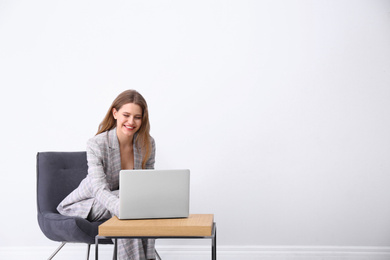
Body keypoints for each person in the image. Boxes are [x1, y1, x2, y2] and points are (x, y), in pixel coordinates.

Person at [57, 89, 156, 260]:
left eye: (137, 117)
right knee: (130, 206)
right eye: (126, 115)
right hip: (87, 203)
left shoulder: (147, 143)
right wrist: (124, 207)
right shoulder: (96, 144)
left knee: (141, 202)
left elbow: (147, 183)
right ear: (115, 113)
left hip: (123, 199)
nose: (131, 121)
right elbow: (98, 189)